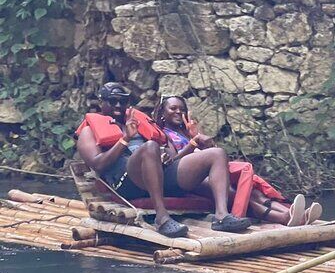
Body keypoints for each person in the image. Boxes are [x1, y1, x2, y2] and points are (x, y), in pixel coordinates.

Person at [76, 83, 252, 238]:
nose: (118, 106)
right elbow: (97, 164)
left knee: (217, 153)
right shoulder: (88, 131)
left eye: (122, 102)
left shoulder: (139, 122)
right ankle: (162, 218)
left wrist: (164, 154)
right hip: (126, 183)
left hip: (159, 176)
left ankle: (221, 216)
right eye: (112, 101)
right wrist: (125, 139)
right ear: (101, 103)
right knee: (150, 147)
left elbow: (168, 151)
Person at [153, 95, 322, 226]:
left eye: (181, 109)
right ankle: (284, 217)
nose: (178, 112)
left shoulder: (187, 132)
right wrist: (192, 143)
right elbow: (173, 163)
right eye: (173, 108)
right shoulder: (162, 134)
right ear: (162, 113)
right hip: (189, 180)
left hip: (209, 174)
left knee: (253, 191)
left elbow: (212, 155)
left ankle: (294, 212)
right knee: (238, 193)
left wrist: (197, 136)